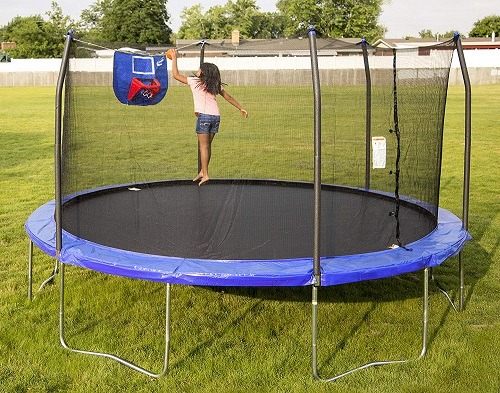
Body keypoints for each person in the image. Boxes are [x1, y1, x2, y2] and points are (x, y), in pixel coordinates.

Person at [168, 49, 248, 186]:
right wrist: (240, 107)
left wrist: (174, 57)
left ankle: (205, 174)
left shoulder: (194, 81)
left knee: (203, 147)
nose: (198, 70)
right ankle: (202, 171)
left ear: (203, 72)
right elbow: (227, 97)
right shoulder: (214, 85)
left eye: (200, 69)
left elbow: (175, 75)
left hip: (204, 118)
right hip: (216, 117)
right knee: (207, 146)